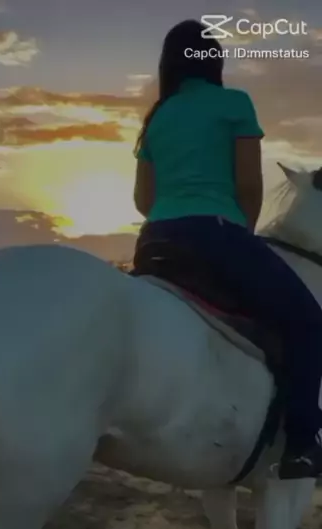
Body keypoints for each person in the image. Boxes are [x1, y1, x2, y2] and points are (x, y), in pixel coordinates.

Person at [132, 18, 322, 479]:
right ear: (213, 61)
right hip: (215, 234)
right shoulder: (234, 104)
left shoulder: (159, 116)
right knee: (308, 321)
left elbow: (143, 199)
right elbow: (249, 186)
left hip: (153, 241)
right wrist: (243, 237)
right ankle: (301, 444)